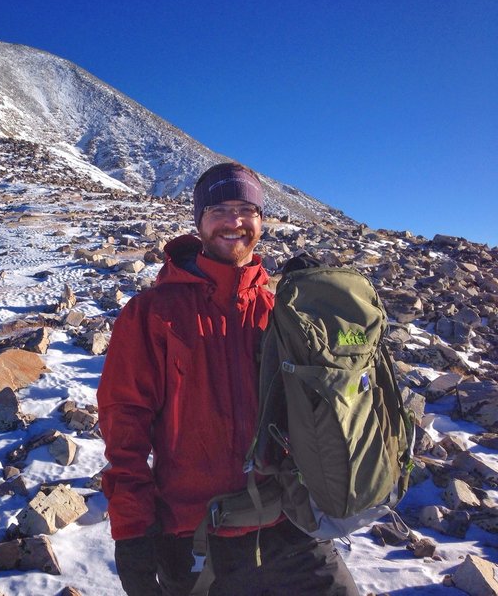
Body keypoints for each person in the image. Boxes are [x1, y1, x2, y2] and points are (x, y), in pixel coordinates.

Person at [96, 163, 359, 595]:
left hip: (291, 526)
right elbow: (124, 429)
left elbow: (332, 402)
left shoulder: (282, 311)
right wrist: (132, 534)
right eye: (218, 209)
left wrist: (324, 308)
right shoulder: (152, 314)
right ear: (199, 222)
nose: (234, 222)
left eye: (245, 209)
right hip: (197, 538)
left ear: (261, 220)